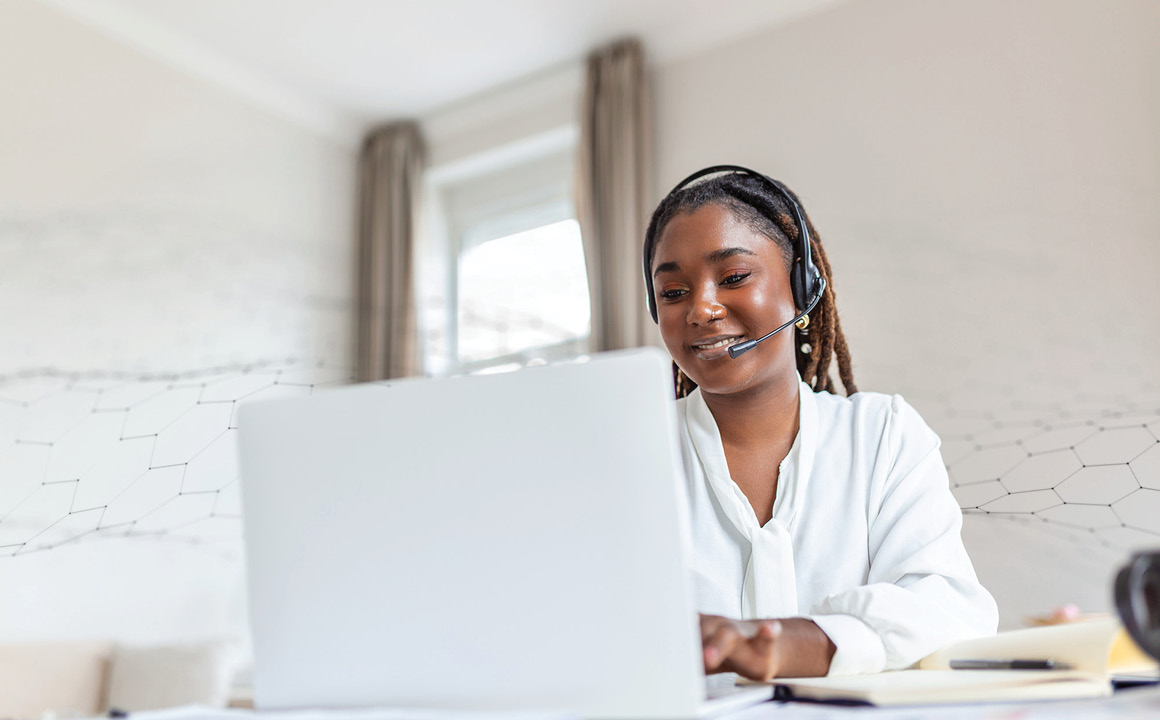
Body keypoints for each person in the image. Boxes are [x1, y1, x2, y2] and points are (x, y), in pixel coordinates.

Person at [641, 166, 998, 681]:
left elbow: (952, 612)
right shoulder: (632, 451)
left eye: (735, 277)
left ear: (803, 288)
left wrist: (791, 646)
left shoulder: (883, 435)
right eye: (673, 292)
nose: (702, 308)